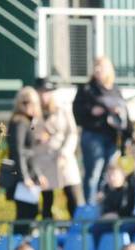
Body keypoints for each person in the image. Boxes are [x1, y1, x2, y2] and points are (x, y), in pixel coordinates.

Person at [73, 56, 134, 204]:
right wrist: (92, 111)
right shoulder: (87, 89)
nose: (98, 70)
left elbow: (125, 114)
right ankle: (90, 205)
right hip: (93, 136)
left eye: (102, 67)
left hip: (112, 136)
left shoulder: (115, 90)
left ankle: (105, 203)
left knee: (109, 173)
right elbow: (78, 113)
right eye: (96, 67)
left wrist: (127, 132)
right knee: (93, 173)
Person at [33, 77, 85, 219]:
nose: (44, 96)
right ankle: (48, 235)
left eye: (47, 92)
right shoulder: (33, 114)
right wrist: (37, 136)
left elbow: (72, 133)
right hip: (43, 160)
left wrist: (65, 153)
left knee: (73, 196)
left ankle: (77, 233)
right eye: (41, 92)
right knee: (47, 201)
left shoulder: (62, 109)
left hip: (63, 159)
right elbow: (28, 134)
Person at [6, 87, 46, 236]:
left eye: (31, 102)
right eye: (24, 102)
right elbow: (18, 151)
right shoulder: (19, 122)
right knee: (25, 213)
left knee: (32, 211)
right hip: (21, 176)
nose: (28, 106)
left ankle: (24, 241)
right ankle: (19, 243)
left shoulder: (29, 122)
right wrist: (25, 178)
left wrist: (38, 174)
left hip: (29, 173)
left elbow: (31, 153)